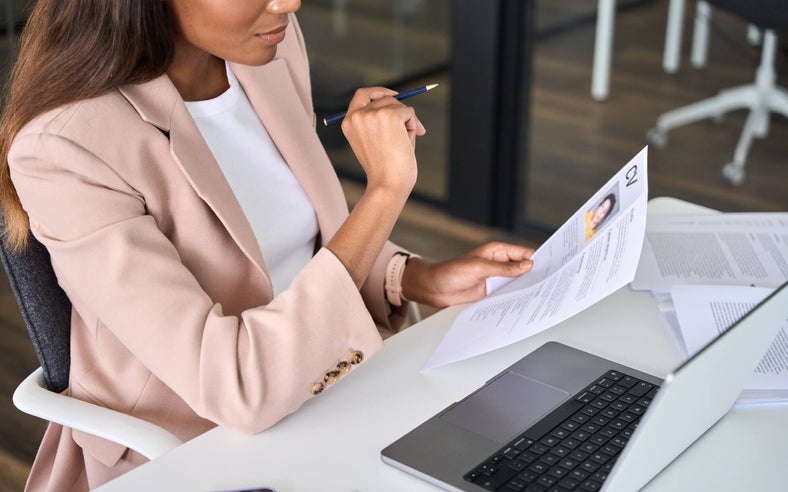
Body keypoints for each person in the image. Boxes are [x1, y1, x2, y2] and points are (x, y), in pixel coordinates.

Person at [0, 1, 536, 490]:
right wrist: (385, 191)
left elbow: (304, 242)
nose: (289, 3)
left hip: (331, 390)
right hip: (197, 442)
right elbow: (237, 387)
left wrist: (415, 277)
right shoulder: (65, 147)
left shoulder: (269, 48)